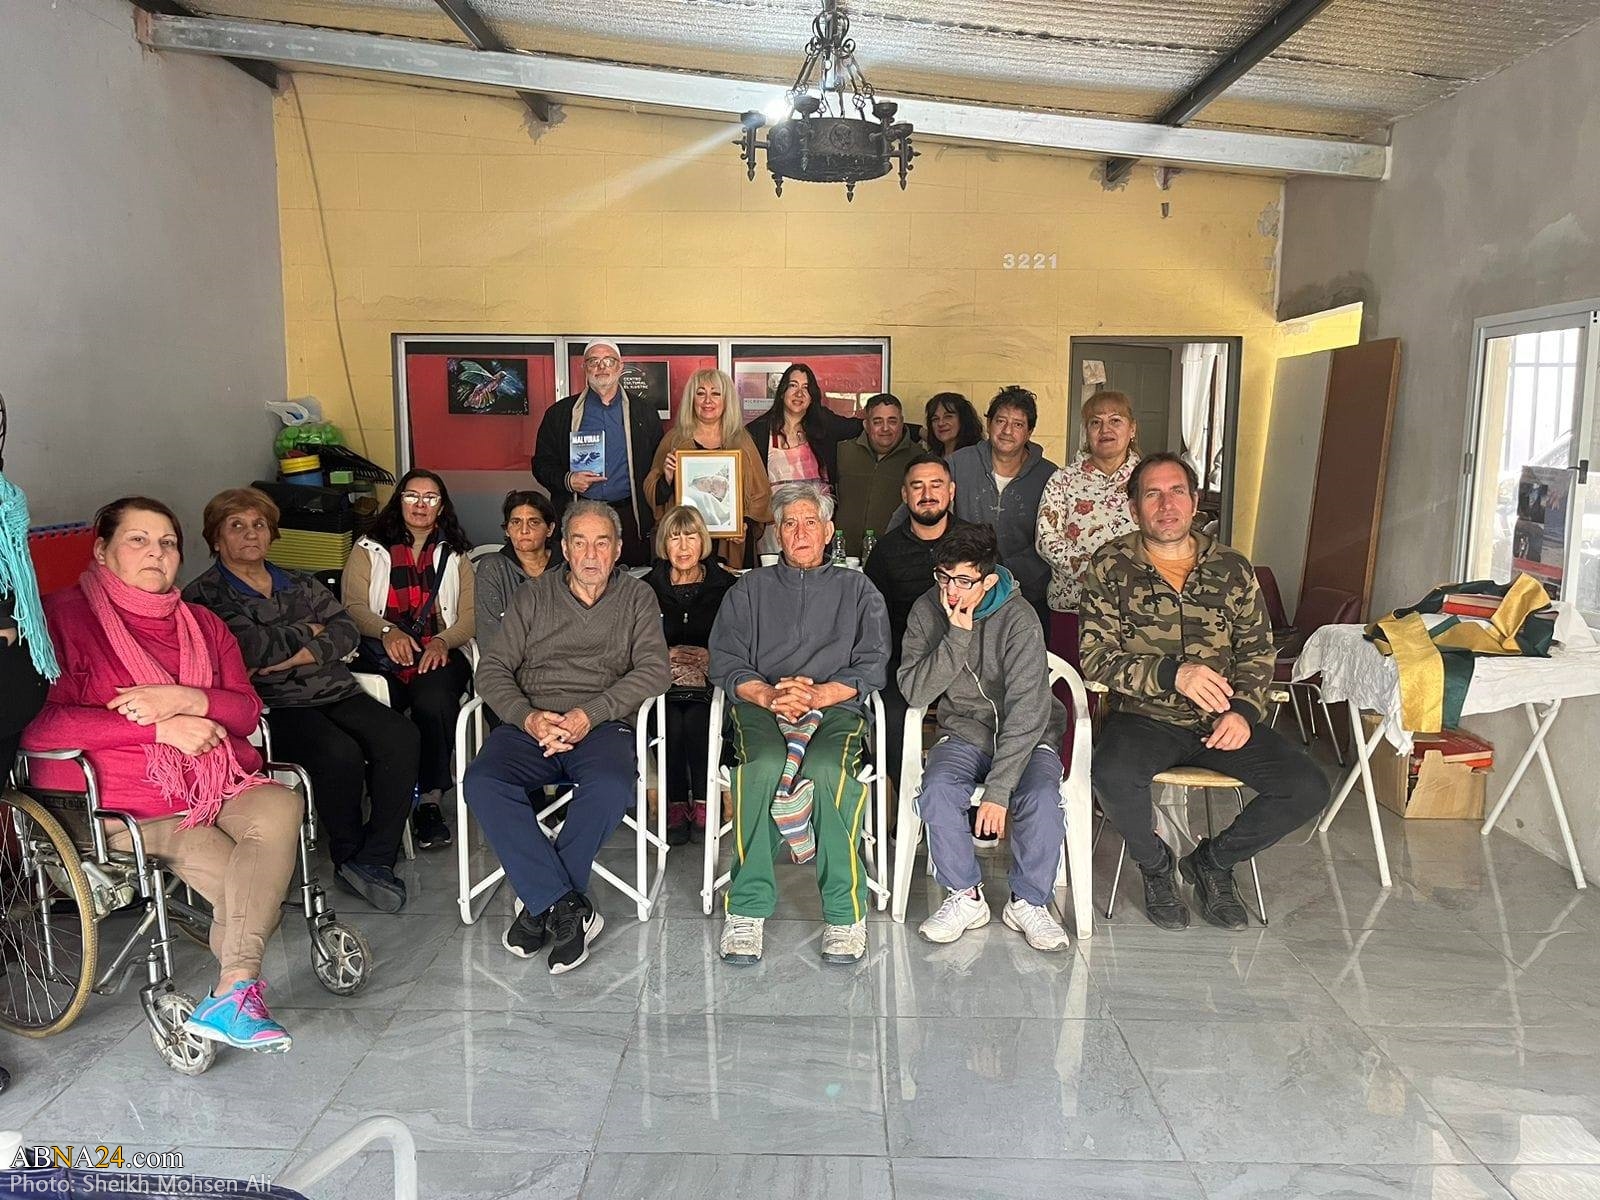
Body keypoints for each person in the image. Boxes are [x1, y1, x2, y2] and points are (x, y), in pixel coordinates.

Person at [23, 497, 303, 1053]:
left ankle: (231, 990)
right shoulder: (60, 618)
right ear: (101, 550)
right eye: (138, 540)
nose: (156, 553)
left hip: (214, 783)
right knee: (250, 896)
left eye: (167, 543)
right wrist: (159, 730)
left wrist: (186, 699)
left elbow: (246, 712)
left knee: (281, 803)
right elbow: (39, 726)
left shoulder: (203, 623)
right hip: (125, 804)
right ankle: (236, 995)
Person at [1081, 452, 1328, 931]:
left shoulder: (1232, 567)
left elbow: (1258, 651)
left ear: (1194, 503)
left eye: (1177, 492)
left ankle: (1212, 862)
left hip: (1221, 720)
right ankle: (1156, 866)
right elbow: (1096, 656)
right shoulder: (1111, 564)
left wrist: (1242, 711)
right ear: (1133, 507)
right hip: (1145, 718)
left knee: (1306, 786)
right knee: (1110, 775)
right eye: (1152, 494)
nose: (1166, 505)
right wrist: (1173, 674)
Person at [185, 487, 418, 913]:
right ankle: (348, 851)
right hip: (273, 706)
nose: (251, 534)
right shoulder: (203, 597)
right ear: (216, 538)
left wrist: (294, 653)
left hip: (335, 689)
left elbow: (345, 630)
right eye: (237, 526)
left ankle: (375, 856)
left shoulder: (298, 581)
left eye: (259, 525)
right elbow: (248, 649)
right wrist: (309, 632)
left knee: (401, 736)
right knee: (339, 753)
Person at [467, 500, 670, 974]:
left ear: (618, 549)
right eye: (580, 542)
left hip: (600, 726)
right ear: (564, 548)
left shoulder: (637, 598)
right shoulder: (533, 596)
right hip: (531, 724)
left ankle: (541, 903)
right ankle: (566, 906)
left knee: (611, 785)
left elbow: (655, 671)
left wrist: (588, 714)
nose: (591, 554)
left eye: (602, 543)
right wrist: (529, 718)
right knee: (482, 781)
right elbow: (491, 670)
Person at [708, 482, 890, 966]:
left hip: (835, 707)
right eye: (790, 523)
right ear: (777, 533)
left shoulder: (858, 590)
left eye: (811, 522)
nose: (801, 532)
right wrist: (769, 695)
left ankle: (845, 914)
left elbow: (874, 663)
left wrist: (820, 694)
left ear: (829, 531)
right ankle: (746, 909)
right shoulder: (749, 590)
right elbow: (725, 661)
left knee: (828, 771)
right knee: (762, 767)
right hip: (761, 706)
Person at [899, 524, 1071, 951]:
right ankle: (965, 894)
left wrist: (997, 791)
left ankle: (1028, 901)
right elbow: (914, 691)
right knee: (938, 789)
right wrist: (957, 637)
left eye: (963, 580)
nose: (950, 590)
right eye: (944, 577)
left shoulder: (1019, 618)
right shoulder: (926, 610)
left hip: (1029, 734)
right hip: (964, 731)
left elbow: (1029, 710)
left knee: (1041, 797)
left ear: (988, 581)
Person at [342, 469, 476, 852]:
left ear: (442, 506)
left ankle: (429, 801)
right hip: (381, 650)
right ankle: (387, 796)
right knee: (377, 708)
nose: (420, 505)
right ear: (399, 500)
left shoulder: (456, 554)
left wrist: (443, 641)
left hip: (439, 649)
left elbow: (469, 618)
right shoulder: (368, 548)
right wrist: (387, 631)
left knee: (433, 700)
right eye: (412, 496)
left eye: (430, 498)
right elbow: (352, 607)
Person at [863, 453, 974, 789]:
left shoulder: (974, 544)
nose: (927, 494)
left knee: (983, 712)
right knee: (890, 715)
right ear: (904, 494)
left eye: (936, 485)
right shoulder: (886, 551)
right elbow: (873, 620)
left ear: (951, 491)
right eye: (917, 486)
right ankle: (909, 800)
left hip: (968, 659)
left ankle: (970, 802)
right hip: (905, 662)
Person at [644, 505, 737, 845]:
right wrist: (662, 655)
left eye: (691, 537)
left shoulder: (726, 586)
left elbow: (738, 639)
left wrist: (712, 656)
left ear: (703, 542)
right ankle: (674, 803)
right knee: (669, 720)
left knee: (699, 719)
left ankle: (703, 800)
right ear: (664, 545)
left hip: (711, 682)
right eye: (674, 538)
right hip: (660, 683)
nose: (683, 547)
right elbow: (632, 640)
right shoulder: (646, 588)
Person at [531, 338, 664, 566]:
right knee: (582, 575)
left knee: (631, 578)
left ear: (620, 366)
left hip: (629, 516)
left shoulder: (644, 412)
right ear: (584, 367)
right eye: (594, 361)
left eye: (608, 361)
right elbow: (541, 464)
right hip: (580, 512)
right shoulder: (560, 414)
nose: (601, 367)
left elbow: (656, 466)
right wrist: (568, 480)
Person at [1036, 390, 1141, 663]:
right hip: (1073, 608)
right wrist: (1096, 572)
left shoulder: (1148, 478)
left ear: (1132, 429)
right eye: (1096, 422)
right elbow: (1046, 539)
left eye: (1115, 420)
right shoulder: (1063, 479)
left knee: (1128, 685)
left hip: (1134, 611)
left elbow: (1162, 535)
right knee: (1070, 685)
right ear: (1087, 432)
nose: (1105, 429)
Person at [942, 386, 1057, 630]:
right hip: (965, 592)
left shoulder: (1050, 476)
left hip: (1028, 593)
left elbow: (1052, 540)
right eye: (1001, 421)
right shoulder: (958, 463)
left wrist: (1005, 572)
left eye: (1018, 424)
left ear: (1029, 432)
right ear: (989, 423)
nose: (1007, 431)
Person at [642, 368, 772, 567]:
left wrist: (743, 523)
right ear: (691, 399)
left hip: (730, 544)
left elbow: (761, 495)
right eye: (700, 393)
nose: (707, 401)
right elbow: (654, 496)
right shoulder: (674, 440)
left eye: (716, 393)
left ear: (726, 400)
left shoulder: (742, 442)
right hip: (685, 544)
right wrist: (667, 478)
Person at [744, 363, 862, 498]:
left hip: (820, 510)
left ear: (812, 397)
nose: (799, 393)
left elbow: (861, 428)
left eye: (806, 387)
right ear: (782, 392)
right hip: (776, 511)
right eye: (793, 385)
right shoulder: (757, 431)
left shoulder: (825, 424)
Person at [475, 490, 562, 656]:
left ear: (550, 529)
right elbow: (490, 637)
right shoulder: (493, 567)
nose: (524, 530)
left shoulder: (568, 566)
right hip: (509, 664)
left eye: (533, 522)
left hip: (565, 663)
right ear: (507, 530)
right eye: (516, 522)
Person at [833, 393, 921, 556]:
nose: (885, 428)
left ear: (902, 423)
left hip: (896, 556)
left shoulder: (919, 459)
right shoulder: (843, 452)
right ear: (866, 425)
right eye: (877, 421)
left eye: (892, 421)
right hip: (843, 556)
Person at [924, 392, 983, 459]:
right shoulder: (931, 458)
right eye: (935, 419)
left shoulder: (977, 457)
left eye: (948, 417)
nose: (940, 423)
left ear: (963, 419)